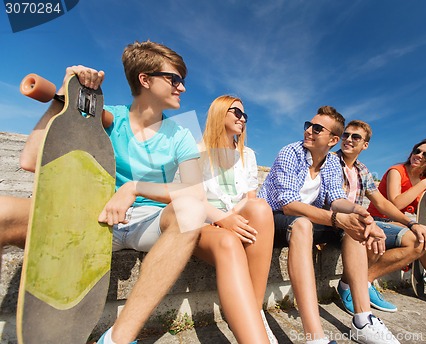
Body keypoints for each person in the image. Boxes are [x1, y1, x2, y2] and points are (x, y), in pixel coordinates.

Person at [10, 41, 207, 344]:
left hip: (147, 222)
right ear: (145, 79)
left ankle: (117, 338)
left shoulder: (181, 133)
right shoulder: (110, 118)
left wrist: (134, 187)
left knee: (192, 212)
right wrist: (64, 97)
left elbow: (196, 193)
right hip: (99, 220)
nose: (182, 88)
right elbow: (30, 161)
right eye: (174, 79)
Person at [259, 106, 400, 344]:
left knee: (353, 229)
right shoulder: (290, 153)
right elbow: (288, 205)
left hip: (304, 220)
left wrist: (359, 213)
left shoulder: (333, 164)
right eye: (308, 125)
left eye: (316, 128)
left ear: (333, 139)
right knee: (303, 223)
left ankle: (363, 320)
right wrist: (336, 219)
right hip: (272, 219)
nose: (308, 131)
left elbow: (335, 198)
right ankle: (315, 337)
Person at [195, 95, 276, 343]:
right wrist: (223, 219)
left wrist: (234, 217)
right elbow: (191, 201)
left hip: (235, 219)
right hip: (205, 222)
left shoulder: (247, 154)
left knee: (261, 207)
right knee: (233, 232)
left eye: (245, 116)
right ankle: (250, 318)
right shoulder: (196, 152)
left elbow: (250, 200)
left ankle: (254, 310)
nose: (243, 119)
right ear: (220, 113)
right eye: (237, 113)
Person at [334, 120, 426, 315]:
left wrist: (412, 224)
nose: (348, 139)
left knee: (418, 242)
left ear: (365, 145)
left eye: (355, 137)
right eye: (346, 135)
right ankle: (348, 287)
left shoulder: (362, 170)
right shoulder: (330, 162)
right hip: (334, 221)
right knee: (370, 234)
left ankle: (363, 282)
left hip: (357, 220)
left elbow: (382, 203)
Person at [367, 138, 426, 312]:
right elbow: (394, 204)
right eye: (416, 151)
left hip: (403, 223)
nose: (418, 155)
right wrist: (424, 184)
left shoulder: (423, 179)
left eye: (425, 154)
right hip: (382, 220)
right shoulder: (397, 171)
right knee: (425, 232)